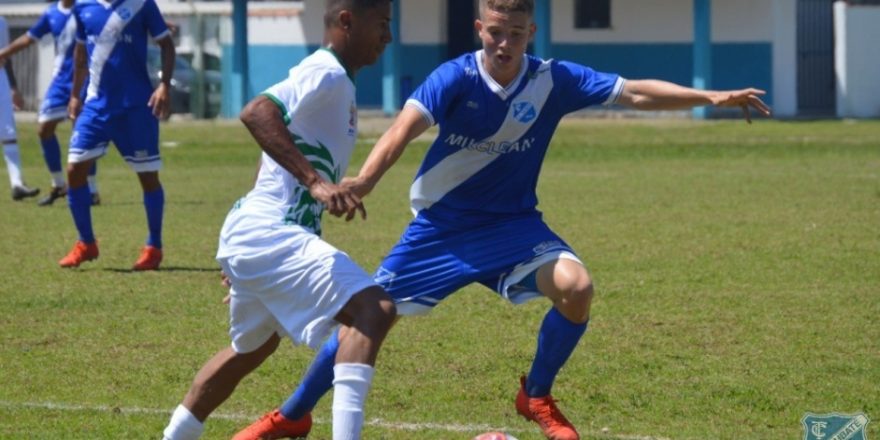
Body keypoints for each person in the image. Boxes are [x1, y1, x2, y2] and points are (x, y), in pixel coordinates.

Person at [233, 0, 772, 439]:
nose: (504, 43)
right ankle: (294, 414)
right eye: (495, 32)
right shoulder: (455, 77)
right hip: (441, 230)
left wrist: (713, 96)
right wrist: (366, 181)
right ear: (479, 28)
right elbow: (402, 130)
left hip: (514, 226)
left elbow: (633, 90)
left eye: (516, 33)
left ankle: (535, 395)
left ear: (531, 32)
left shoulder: (554, 80)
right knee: (369, 320)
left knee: (577, 287)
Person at [161, 1, 396, 439]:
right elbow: (256, 112)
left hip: (258, 233)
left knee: (251, 349)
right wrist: (315, 183)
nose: (388, 36)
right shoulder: (325, 70)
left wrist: (245, 247)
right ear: (347, 20)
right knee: (373, 309)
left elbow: (274, 143)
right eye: (381, 24)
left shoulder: (337, 83)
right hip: (268, 232)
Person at [59, 0, 176, 270]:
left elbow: (167, 45)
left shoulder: (142, 4)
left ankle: (154, 247)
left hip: (136, 106)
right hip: (95, 106)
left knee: (148, 177)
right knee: (75, 170)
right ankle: (86, 243)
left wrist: (164, 86)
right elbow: (80, 54)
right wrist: (75, 96)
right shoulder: (83, 6)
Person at [0, 0, 101, 207]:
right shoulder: (52, 12)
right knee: (44, 129)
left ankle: (90, 189)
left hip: (83, 79)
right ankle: (58, 184)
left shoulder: (88, 8)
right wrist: (4, 53)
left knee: (82, 132)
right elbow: (30, 38)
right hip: (60, 81)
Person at [0, 16, 40, 202]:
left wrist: (13, 87)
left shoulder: (2, 22)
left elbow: (5, 56)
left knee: (8, 133)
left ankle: (17, 183)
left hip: (0, 79)